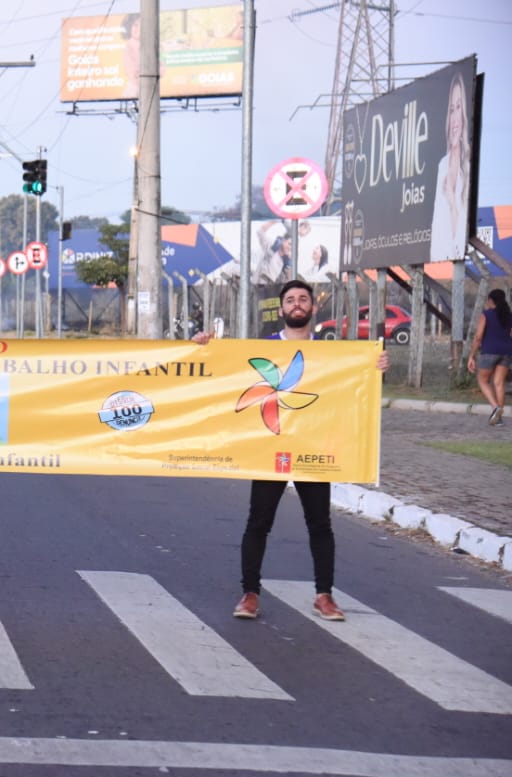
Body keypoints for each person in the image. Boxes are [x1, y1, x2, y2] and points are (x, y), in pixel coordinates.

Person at [192, 279, 390, 622]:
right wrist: (203, 347)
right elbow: (221, 373)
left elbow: (352, 390)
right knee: (259, 522)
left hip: (314, 449)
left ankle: (324, 595)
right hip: (269, 448)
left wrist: (375, 368)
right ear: (281, 309)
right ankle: (250, 593)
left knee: (320, 524)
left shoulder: (334, 352)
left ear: (313, 307)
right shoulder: (261, 347)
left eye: (303, 299)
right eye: (290, 300)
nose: (297, 304)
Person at [431, 71, 471, 262]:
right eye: (451, 109)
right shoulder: (442, 166)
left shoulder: (468, 168)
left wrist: (452, 201)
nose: (455, 118)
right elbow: (437, 236)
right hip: (440, 259)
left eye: (459, 107)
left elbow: (458, 238)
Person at [467, 288, 512, 426]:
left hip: (489, 351)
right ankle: (498, 418)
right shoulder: (509, 315)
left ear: (490, 301)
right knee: (499, 383)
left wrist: (471, 356)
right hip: (507, 351)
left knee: (483, 380)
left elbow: (478, 336)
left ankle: (495, 408)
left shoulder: (486, 315)